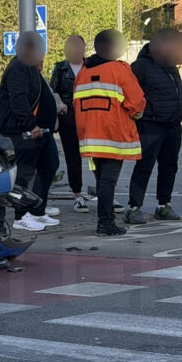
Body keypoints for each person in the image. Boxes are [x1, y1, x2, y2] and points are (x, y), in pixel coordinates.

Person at [74, 29, 146, 236]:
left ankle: (105, 222)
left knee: (101, 180)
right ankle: (105, 223)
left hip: (90, 137)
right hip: (113, 136)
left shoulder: (83, 73)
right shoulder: (119, 69)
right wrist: (136, 117)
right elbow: (137, 102)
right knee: (108, 181)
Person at [0, 30, 61, 232]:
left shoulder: (31, 68)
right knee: (24, 174)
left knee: (49, 166)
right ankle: (20, 215)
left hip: (42, 131)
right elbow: (19, 100)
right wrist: (30, 124)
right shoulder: (18, 68)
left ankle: (37, 211)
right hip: (24, 132)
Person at [125, 28, 182, 223]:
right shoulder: (141, 66)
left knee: (169, 167)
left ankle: (163, 205)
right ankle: (134, 207)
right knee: (144, 167)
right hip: (151, 126)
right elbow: (129, 92)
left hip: (173, 126)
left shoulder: (170, 66)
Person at [49, 34, 94, 212]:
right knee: (73, 157)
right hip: (68, 120)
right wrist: (60, 105)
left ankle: (106, 193)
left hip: (91, 119)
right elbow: (52, 91)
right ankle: (78, 196)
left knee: (97, 156)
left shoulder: (92, 65)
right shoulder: (60, 68)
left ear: (84, 48)